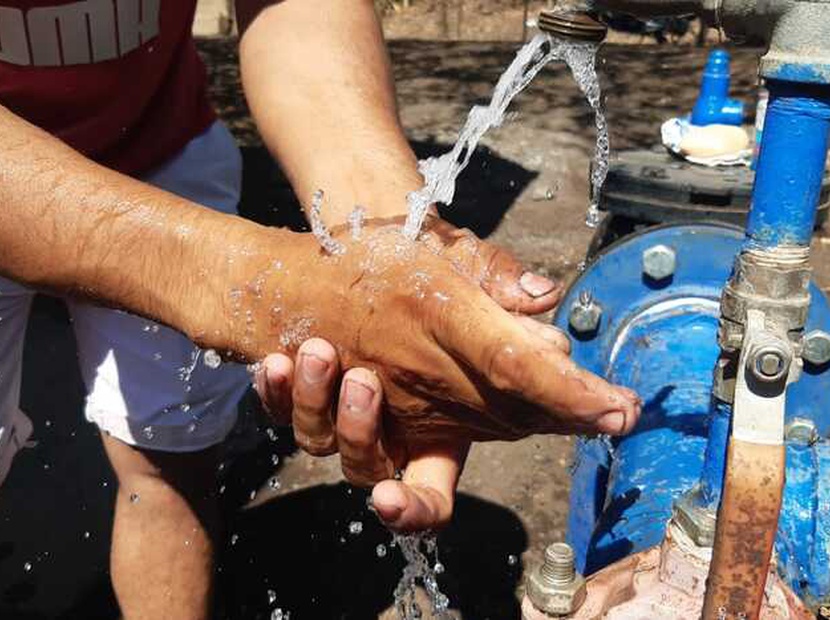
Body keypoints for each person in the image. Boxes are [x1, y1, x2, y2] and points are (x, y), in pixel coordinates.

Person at [0, 0, 641, 617]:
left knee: (168, 462)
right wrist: (252, 283)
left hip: (160, 149)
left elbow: (296, 10)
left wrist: (395, 249)